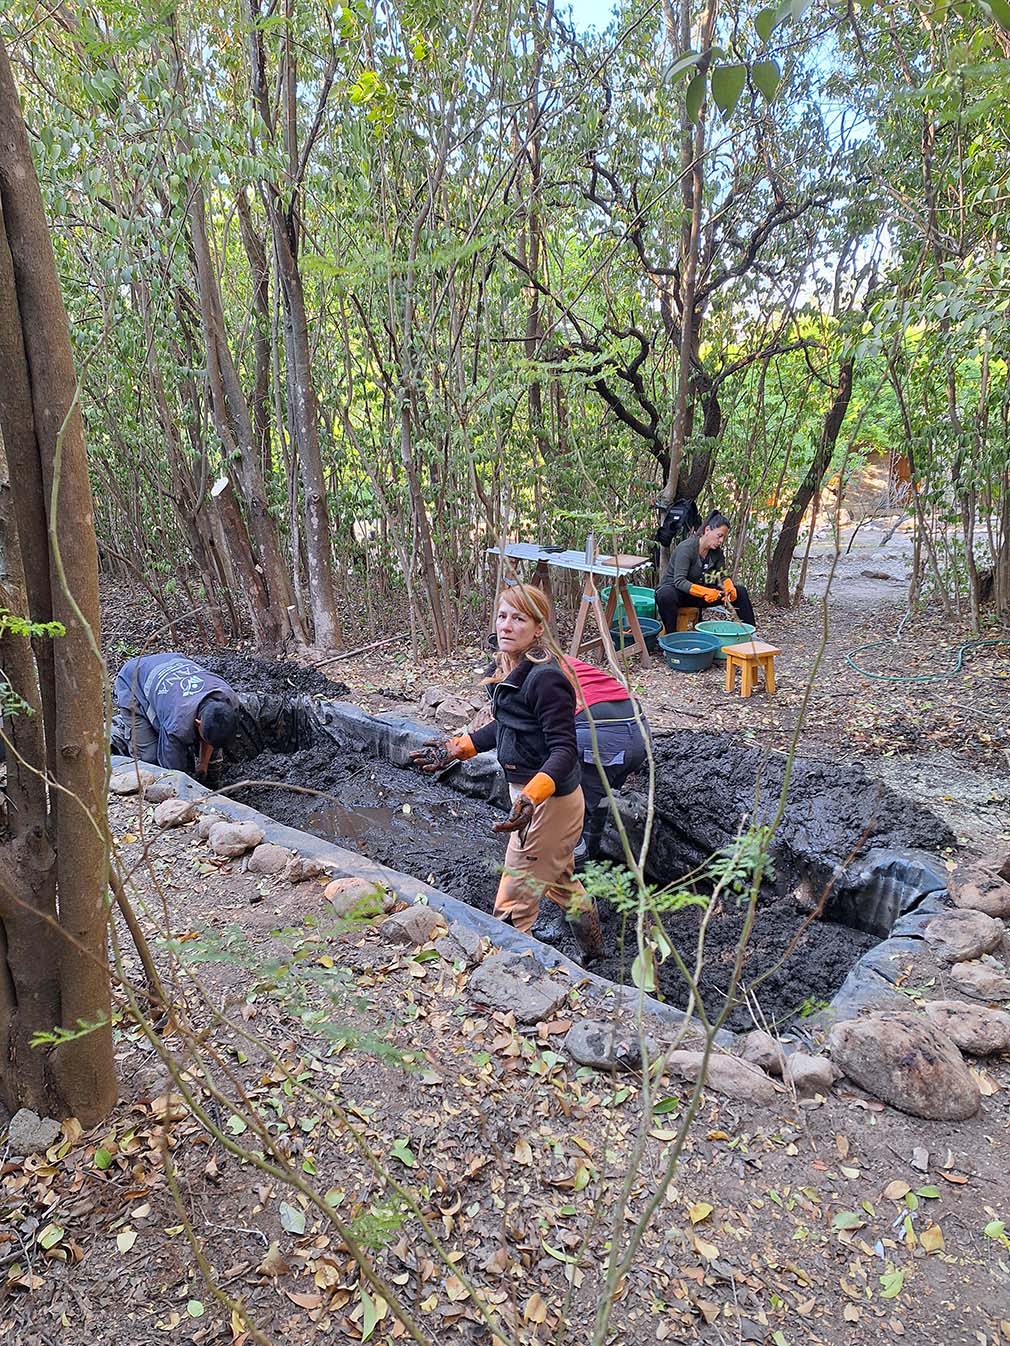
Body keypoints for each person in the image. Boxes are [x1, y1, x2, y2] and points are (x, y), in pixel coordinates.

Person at [410, 583, 602, 963]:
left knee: (514, 900)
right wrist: (456, 749)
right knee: (560, 882)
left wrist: (531, 796)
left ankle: (512, 973)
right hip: (530, 800)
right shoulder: (508, 670)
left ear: (538, 627)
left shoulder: (545, 679)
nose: (507, 625)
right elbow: (507, 727)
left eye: (519, 618)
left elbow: (565, 751)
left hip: (551, 804)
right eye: (502, 616)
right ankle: (595, 953)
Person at [567, 657, 650, 869]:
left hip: (601, 737)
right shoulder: (562, 660)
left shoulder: (525, 676)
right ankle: (593, 860)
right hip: (640, 732)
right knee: (602, 797)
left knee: (573, 811)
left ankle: (577, 875)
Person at [110, 653, 239, 782]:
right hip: (133, 682)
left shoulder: (229, 699)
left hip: (172, 661)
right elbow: (172, 774)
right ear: (197, 723)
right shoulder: (177, 725)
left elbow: (212, 731)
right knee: (149, 759)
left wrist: (203, 765)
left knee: (210, 749)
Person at [654, 511, 755, 634]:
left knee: (740, 591)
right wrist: (705, 592)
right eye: (719, 535)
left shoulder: (716, 553)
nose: (721, 540)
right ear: (707, 530)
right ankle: (671, 638)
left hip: (699, 595)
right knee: (665, 595)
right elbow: (680, 581)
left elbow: (722, 575)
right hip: (678, 593)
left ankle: (749, 635)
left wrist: (729, 586)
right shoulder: (686, 549)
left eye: (724, 537)